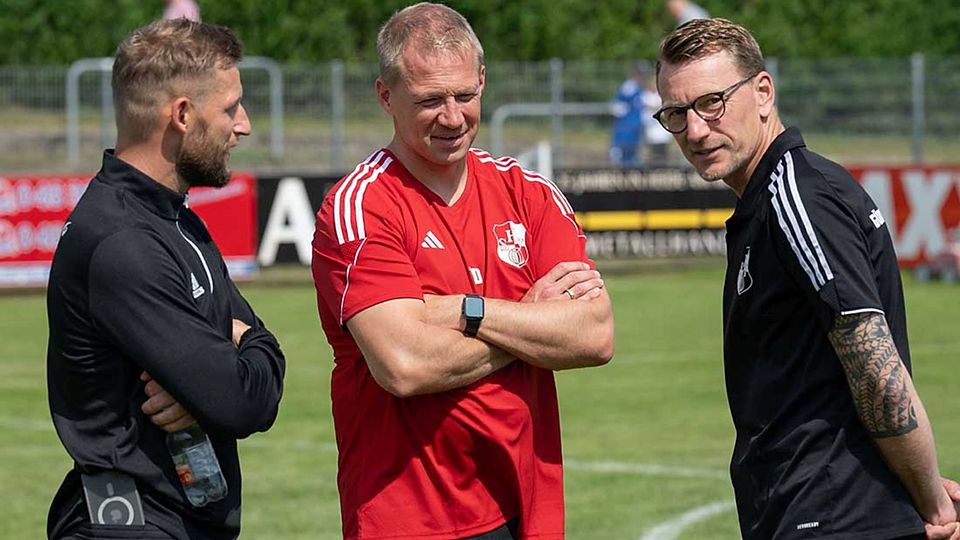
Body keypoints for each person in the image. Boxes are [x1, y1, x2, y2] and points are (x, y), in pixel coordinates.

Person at [311, 3, 614, 539]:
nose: (452, 118)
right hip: (409, 516)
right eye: (430, 101)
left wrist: (462, 311)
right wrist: (529, 321)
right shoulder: (360, 206)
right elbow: (404, 366)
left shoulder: (529, 193)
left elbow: (594, 335)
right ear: (387, 97)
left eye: (465, 96)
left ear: (482, 82)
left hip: (526, 503)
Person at [654, 17, 960, 540]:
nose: (696, 130)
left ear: (764, 92)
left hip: (831, 513)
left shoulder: (795, 197)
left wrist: (932, 500)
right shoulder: (772, 199)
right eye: (676, 114)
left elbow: (872, 363)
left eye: (712, 102)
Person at [46, 19, 285, 539]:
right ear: (181, 114)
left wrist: (244, 350)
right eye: (230, 108)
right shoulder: (123, 242)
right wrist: (228, 363)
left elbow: (253, 371)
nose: (243, 125)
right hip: (128, 523)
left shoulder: (176, 219)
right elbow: (242, 402)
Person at [609, 62, 647, 167]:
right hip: (626, 125)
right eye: (639, 73)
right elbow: (617, 106)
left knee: (633, 151)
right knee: (622, 149)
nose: (641, 76)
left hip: (635, 125)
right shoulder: (629, 86)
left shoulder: (639, 88)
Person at [640, 72, 672, 167]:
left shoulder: (661, 95)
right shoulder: (645, 96)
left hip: (661, 127)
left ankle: (663, 166)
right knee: (652, 149)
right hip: (651, 126)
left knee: (663, 148)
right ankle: (654, 166)